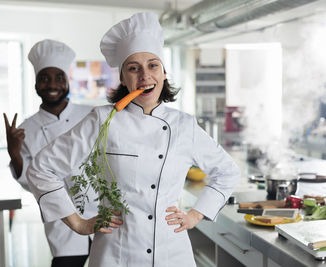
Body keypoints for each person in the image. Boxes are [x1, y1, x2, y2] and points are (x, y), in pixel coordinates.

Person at [26, 12, 241, 267]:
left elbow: (227, 171)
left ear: (163, 73)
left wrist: (196, 214)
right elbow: (41, 169)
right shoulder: (102, 120)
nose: (144, 76)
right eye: (133, 68)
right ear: (122, 78)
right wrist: (78, 223)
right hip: (116, 253)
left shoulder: (184, 125)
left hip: (171, 253)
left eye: (152, 65)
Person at [4, 39, 98, 267]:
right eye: (44, 78)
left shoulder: (93, 116)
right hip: (62, 222)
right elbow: (31, 181)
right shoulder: (26, 128)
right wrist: (14, 154)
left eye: (58, 77)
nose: (52, 84)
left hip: (101, 213)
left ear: (67, 82)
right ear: (36, 84)